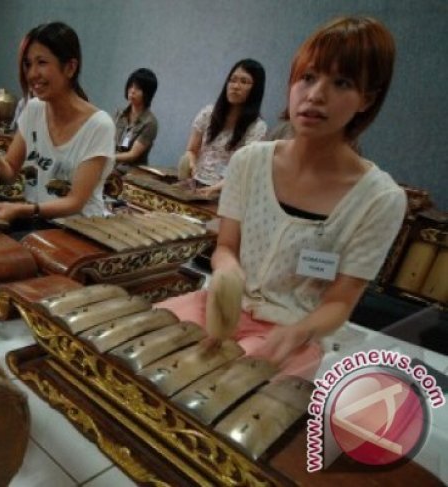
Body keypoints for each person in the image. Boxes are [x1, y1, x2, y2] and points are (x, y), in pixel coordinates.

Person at [157, 16, 407, 380]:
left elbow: (340, 302)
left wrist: (298, 332)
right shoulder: (250, 161)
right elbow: (227, 246)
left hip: (290, 331)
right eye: (308, 77)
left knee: (220, 387)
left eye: (341, 83)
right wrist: (227, 271)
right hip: (220, 307)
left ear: (366, 99)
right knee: (142, 349)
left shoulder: (380, 199)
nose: (315, 94)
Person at [0, 21, 115, 222]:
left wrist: (21, 210)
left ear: (70, 68)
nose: (32, 74)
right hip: (34, 218)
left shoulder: (99, 126)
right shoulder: (34, 109)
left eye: (42, 63)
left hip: (75, 232)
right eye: (28, 64)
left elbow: (75, 202)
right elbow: (10, 169)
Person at [179, 59, 267, 198]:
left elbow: (244, 172)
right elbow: (191, 150)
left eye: (244, 82)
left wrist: (214, 189)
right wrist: (190, 163)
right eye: (232, 80)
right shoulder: (208, 113)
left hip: (227, 194)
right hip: (196, 184)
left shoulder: (257, 128)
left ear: (256, 89)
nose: (235, 86)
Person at [113, 68, 159, 171]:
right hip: (112, 165)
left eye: (138, 88)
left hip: (132, 172)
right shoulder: (119, 114)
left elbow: (133, 155)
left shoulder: (150, 123)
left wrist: (108, 158)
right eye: (131, 86)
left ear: (147, 93)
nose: (132, 91)